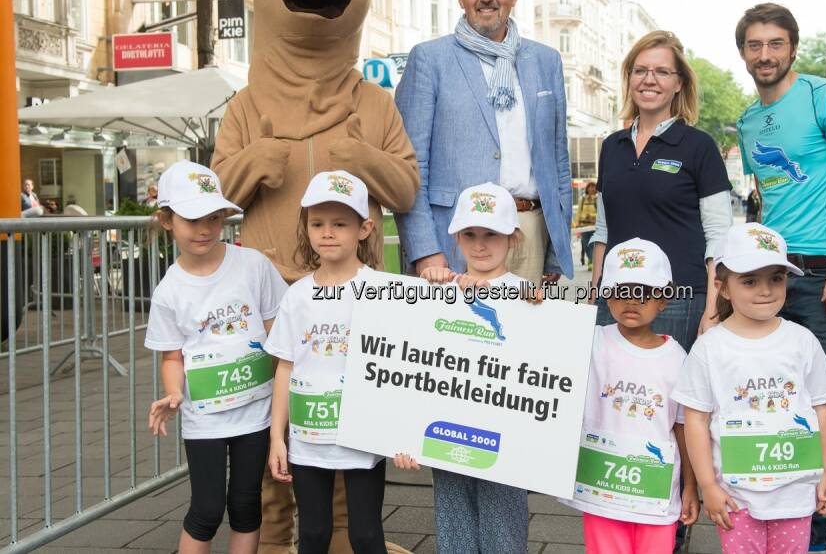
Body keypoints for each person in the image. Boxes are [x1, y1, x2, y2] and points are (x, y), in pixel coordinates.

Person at [734, 3, 826, 553]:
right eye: (754, 45)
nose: (764, 54)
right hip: (772, 280)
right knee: (789, 416)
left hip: (825, 278)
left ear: (793, 47)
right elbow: (767, 199)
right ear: (743, 52)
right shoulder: (748, 120)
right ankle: (808, 536)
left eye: (775, 43)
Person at [395, 0, 573, 288]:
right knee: (459, 339)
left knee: (526, 340)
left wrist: (556, 245)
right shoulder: (429, 60)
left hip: (530, 233)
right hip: (459, 238)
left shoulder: (546, 61)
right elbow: (411, 166)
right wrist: (425, 250)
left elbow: (558, 161)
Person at [144, 161, 288, 554]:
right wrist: (174, 393)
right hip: (204, 418)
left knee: (246, 505)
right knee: (206, 510)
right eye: (192, 219)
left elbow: (280, 331)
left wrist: (290, 384)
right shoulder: (169, 292)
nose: (205, 228)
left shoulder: (252, 264)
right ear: (167, 219)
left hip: (255, 413)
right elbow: (171, 356)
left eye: (213, 217)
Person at [394, 182, 540, 554]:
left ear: (513, 238)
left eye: (491, 234)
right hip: (450, 438)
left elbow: (543, 360)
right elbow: (412, 369)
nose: (480, 245)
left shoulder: (526, 295)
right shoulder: (442, 292)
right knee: (454, 533)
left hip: (503, 442)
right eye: (470, 234)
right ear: (456, 238)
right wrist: (405, 437)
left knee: (504, 536)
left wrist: (535, 304)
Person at [676, 223, 826, 554]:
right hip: (737, 496)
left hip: (795, 490)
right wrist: (708, 484)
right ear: (722, 288)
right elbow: (695, 419)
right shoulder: (710, 348)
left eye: (776, 278)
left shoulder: (802, 341)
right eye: (750, 280)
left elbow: (820, 406)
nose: (765, 290)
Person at [263, 170, 389, 554]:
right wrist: (276, 436)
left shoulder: (382, 290)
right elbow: (285, 366)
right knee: (314, 534)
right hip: (308, 439)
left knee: (365, 535)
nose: (328, 232)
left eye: (340, 223)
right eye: (317, 223)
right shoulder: (297, 296)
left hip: (363, 439)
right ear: (306, 226)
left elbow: (401, 362)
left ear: (364, 228)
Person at [589, 30, 732, 356]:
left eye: (662, 72)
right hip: (615, 299)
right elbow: (603, 230)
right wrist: (594, 294)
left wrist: (712, 311)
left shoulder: (699, 147)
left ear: (679, 82)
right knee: (613, 396)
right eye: (640, 70)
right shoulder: (612, 146)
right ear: (629, 78)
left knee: (671, 402)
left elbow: (719, 238)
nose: (648, 80)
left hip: (678, 299)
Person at [561, 238, 698, 553]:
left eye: (645, 291)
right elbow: (545, 333)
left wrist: (689, 486)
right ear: (606, 295)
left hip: (655, 493)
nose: (632, 300)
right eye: (622, 290)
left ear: (664, 299)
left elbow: (682, 427)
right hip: (600, 490)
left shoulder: (677, 358)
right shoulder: (591, 340)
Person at [574, 181, 598, 270]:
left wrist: (592, 216)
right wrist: (576, 224)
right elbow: (578, 212)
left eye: (593, 187)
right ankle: (591, 259)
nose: (592, 189)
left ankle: (592, 261)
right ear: (587, 189)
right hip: (584, 227)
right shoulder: (582, 199)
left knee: (593, 244)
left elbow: (600, 213)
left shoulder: (598, 199)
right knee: (585, 244)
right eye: (590, 187)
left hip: (594, 227)